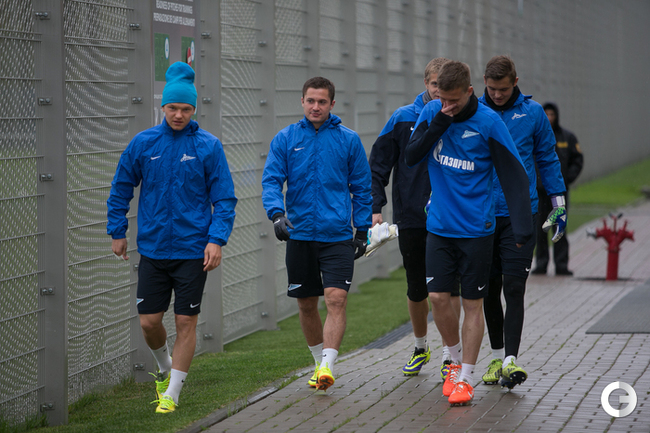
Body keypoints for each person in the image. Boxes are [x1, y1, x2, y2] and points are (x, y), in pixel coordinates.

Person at [107, 62, 237, 414]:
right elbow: (121, 188)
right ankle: (165, 367)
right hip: (152, 249)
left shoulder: (208, 146)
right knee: (149, 322)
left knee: (184, 321)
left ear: (194, 109)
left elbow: (224, 199)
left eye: (186, 109)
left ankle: (172, 394)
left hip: (193, 251)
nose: (179, 115)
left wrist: (216, 240)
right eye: (173, 108)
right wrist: (117, 231)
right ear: (162, 107)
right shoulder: (143, 143)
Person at [405, 60, 533, 406]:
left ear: (470, 91)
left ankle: (467, 378)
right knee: (437, 298)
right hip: (439, 227)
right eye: (442, 99)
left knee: (473, 304)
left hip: (477, 229)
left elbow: (514, 174)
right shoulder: (432, 112)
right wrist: (440, 121)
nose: (447, 105)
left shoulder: (488, 122)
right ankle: (453, 359)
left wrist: (522, 227)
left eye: (454, 100)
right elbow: (412, 156)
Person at [261, 77, 372, 392]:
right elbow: (271, 181)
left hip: (337, 236)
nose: (315, 107)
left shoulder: (348, 140)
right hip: (299, 236)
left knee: (336, 298)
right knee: (307, 304)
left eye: (322, 102)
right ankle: (317, 363)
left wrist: (362, 231)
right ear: (302, 101)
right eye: (310, 101)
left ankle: (327, 365)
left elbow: (362, 188)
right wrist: (277, 214)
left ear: (332, 104)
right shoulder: (286, 138)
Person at [368, 57, 462, 380]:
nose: (439, 91)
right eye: (435, 84)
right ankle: (421, 347)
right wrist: (376, 207)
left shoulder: (461, 117)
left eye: (445, 86)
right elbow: (378, 165)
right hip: (411, 216)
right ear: (426, 83)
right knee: (416, 288)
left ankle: (452, 355)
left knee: (450, 288)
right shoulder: (403, 118)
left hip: (450, 217)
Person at [478, 55, 567, 391]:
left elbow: (547, 158)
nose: (497, 95)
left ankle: (511, 360)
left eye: (503, 89)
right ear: (484, 83)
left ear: (515, 82)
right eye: (492, 89)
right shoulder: (474, 112)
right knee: (488, 289)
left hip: (521, 213)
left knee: (514, 287)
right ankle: (496, 356)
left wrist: (558, 202)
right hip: (482, 215)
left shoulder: (533, 114)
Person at [532, 102, 584, 276]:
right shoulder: (535, 137)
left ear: (557, 116)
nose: (549, 118)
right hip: (540, 192)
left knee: (559, 227)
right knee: (541, 229)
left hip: (559, 192)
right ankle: (541, 264)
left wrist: (566, 179)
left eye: (552, 114)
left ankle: (561, 265)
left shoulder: (567, 137)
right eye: (546, 114)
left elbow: (577, 160)